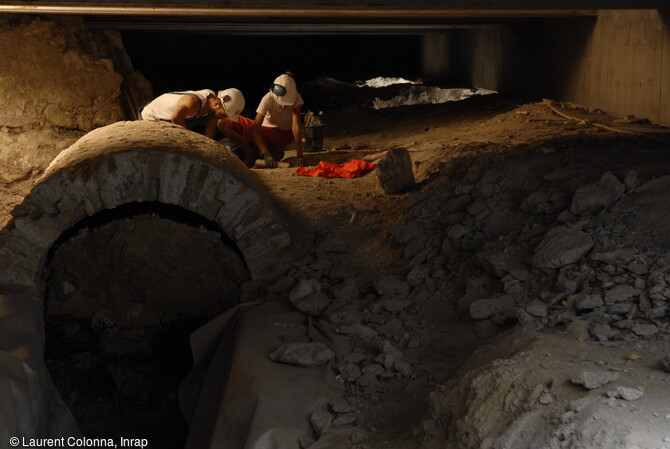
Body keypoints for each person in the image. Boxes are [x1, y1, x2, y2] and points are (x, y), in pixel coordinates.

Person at [216, 73, 306, 168]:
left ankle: (269, 151)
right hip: (265, 129)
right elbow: (256, 129)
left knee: (248, 130)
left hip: (282, 135)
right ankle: (251, 152)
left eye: (287, 104)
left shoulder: (295, 97)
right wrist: (266, 153)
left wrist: (300, 155)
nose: (283, 106)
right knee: (223, 122)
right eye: (281, 103)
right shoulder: (268, 98)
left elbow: (296, 126)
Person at [139, 88, 245, 140]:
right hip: (151, 117)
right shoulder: (192, 103)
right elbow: (176, 118)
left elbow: (210, 131)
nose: (223, 118)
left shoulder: (212, 100)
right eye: (223, 114)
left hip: (171, 119)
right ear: (217, 104)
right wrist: (190, 142)